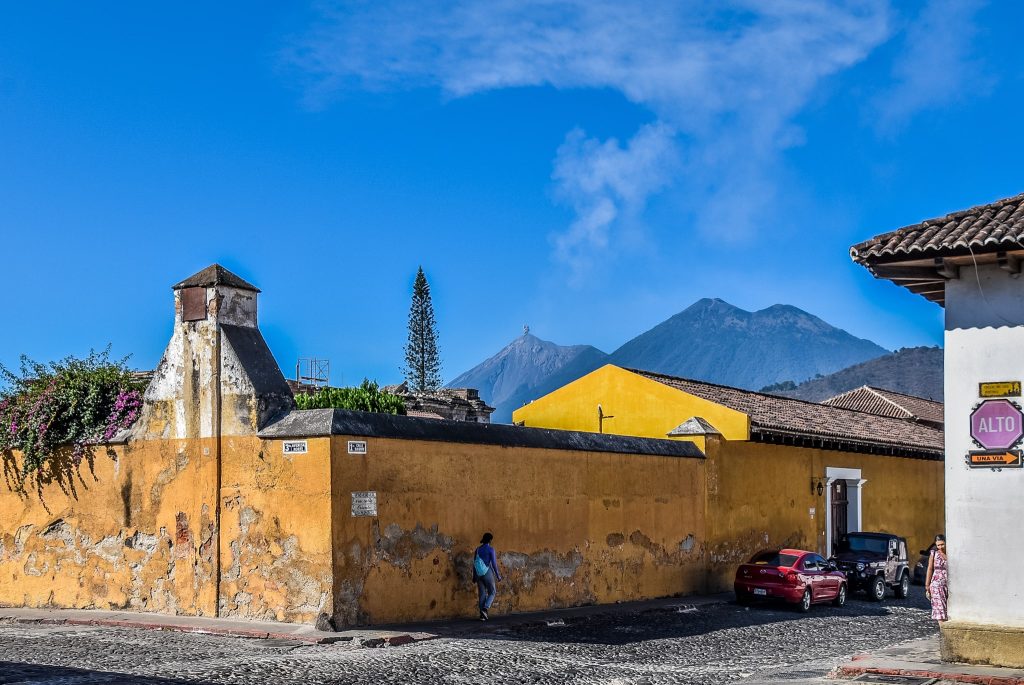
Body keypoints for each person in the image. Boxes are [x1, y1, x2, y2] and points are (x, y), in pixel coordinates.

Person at [473, 532, 502, 620]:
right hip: (487, 572)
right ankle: (485, 608)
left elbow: (474, 564)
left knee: (482, 594)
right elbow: (493, 564)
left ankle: (482, 616)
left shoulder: (477, 549)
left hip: (478, 574)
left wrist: (474, 576)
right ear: (490, 540)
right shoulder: (490, 549)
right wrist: (498, 575)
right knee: (492, 592)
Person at [925, 534, 948, 622]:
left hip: (947, 584)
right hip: (936, 584)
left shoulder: (950, 552)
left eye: (942, 544)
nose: (940, 547)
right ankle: (943, 632)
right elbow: (930, 568)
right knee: (940, 610)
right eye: (938, 545)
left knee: (947, 609)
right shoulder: (934, 553)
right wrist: (927, 584)